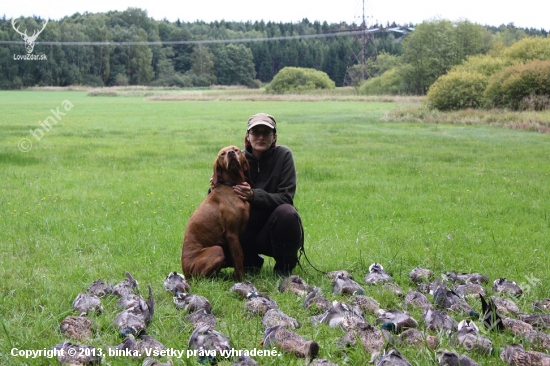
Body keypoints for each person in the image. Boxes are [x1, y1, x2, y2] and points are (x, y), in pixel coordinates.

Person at [231, 112, 303, 276]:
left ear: (274, 137)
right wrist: (215, 183)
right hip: (243, 231)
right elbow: (217, 196)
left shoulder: (283, 155)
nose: (261, 137)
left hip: (270, 231)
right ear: (248, 136)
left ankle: (283, 268)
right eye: (256, 132)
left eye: (266, 132)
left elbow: (286, 197)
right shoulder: (237, 158)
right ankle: (250, 262)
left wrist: (253, 196)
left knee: (287, 212)